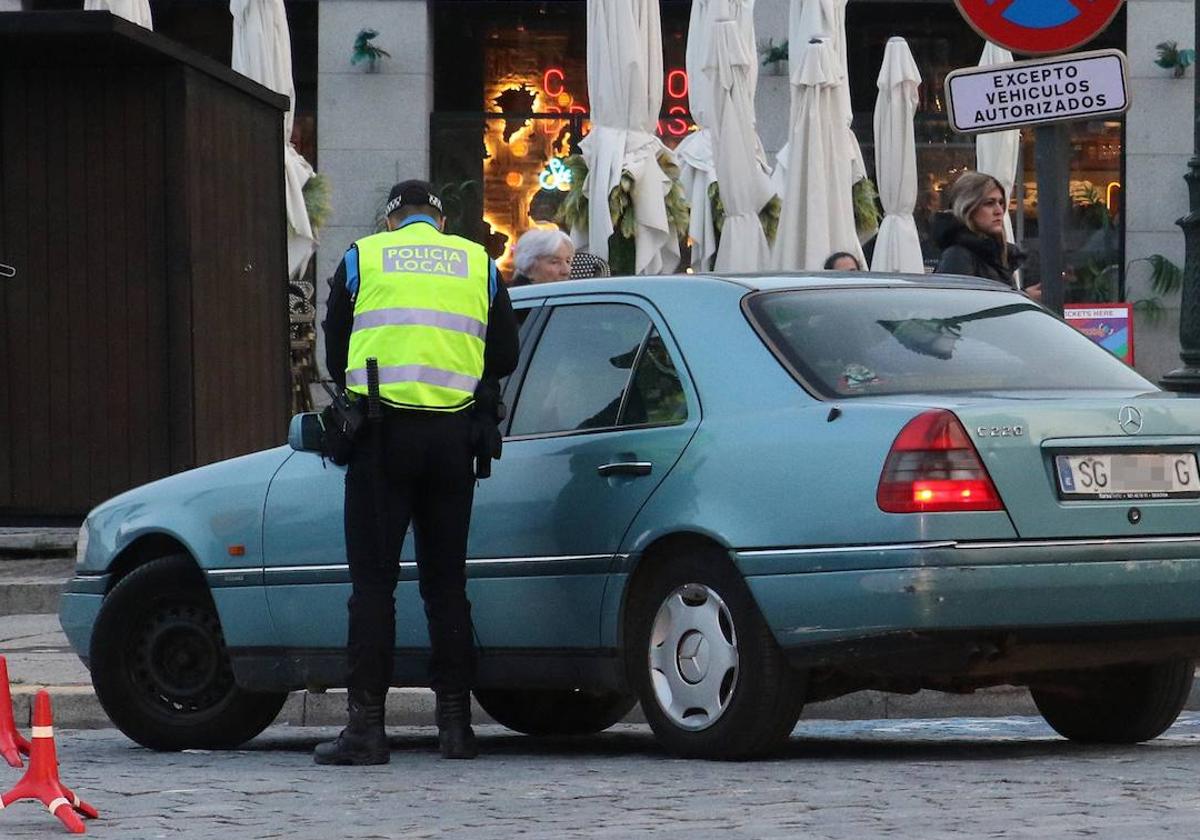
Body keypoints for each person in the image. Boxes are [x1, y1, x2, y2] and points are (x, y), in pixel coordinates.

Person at [317, 180, 519, 765]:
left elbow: (336, 351)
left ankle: (367, 730)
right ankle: (456, 728)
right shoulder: (476, 262)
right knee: (446, 585)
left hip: (381, 437)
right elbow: (503, 354)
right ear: (440, 220)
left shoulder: (364, 255)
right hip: (454, 439)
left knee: (374, 588)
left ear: (390, 220)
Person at [933, 171, 1039, 299]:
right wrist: (1023, 298)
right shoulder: (958, 256)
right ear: (968, 208)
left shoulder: (997, 254)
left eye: (1001, 203)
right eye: (989, 203)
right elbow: (959, 309)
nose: (999, 211)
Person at [510, 227, 574, 285]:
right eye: (555, 262)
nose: (566, 271)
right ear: (529, 268)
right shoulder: (511, 296)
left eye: (568, 261)